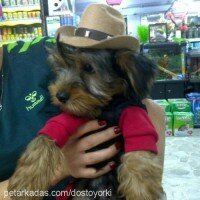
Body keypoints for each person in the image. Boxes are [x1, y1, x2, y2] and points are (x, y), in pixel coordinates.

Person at [0, 5, 165, 200]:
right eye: (62, 70)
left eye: (87, 69)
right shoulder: (72, 103)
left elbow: (149, 110)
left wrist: (141, 167)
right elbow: (50, 137)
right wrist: (60, 167)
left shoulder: (37, 53)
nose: (61, 88)